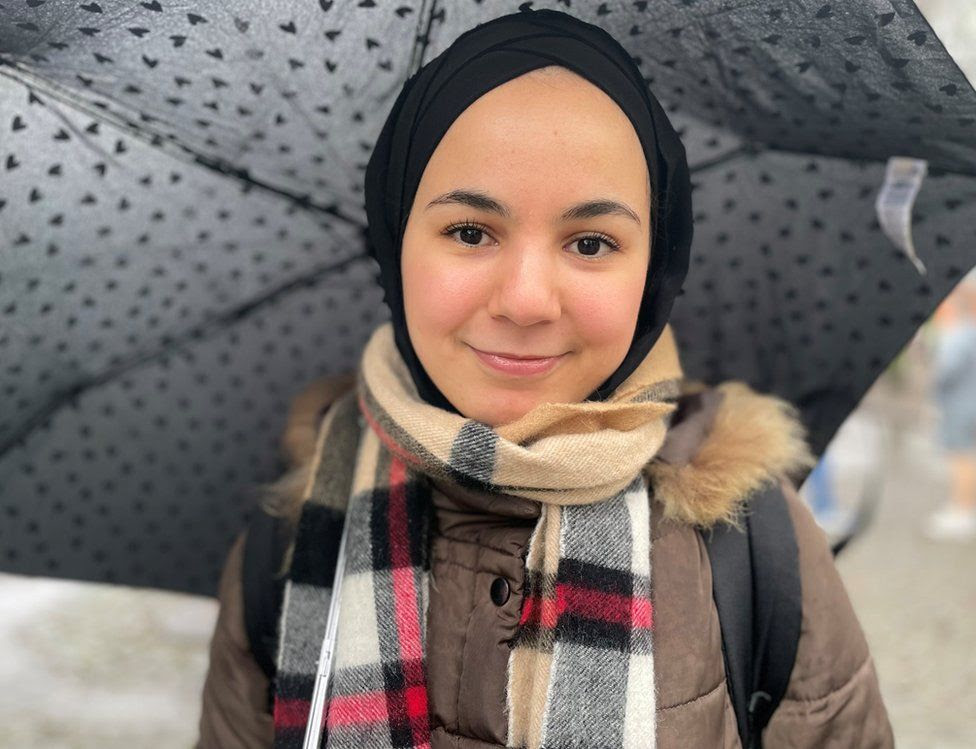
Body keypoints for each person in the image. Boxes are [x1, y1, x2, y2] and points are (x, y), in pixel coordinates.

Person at [196, 9, 893, 748]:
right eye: (470, 231)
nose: (527, 300)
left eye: (590, 241)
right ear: (396, 241)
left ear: (655, 268)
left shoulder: (753, 537)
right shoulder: (298, 527)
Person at [925, 271, 976, 541]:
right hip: (970, 403)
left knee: (961, 457)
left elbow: (946, 371)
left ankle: (962, 511)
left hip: (961, 405)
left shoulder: (963, 332)